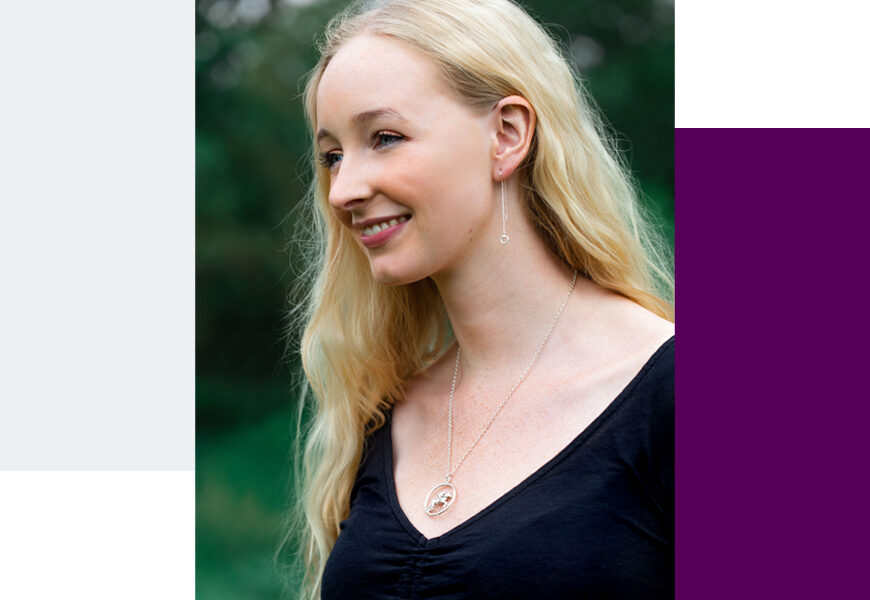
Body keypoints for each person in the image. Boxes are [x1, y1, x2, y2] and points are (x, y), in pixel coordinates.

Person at [286, 0, 674, 598]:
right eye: (332, 155)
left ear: (506, 135)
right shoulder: (381, 411)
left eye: (384, 138)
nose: (344, 189)